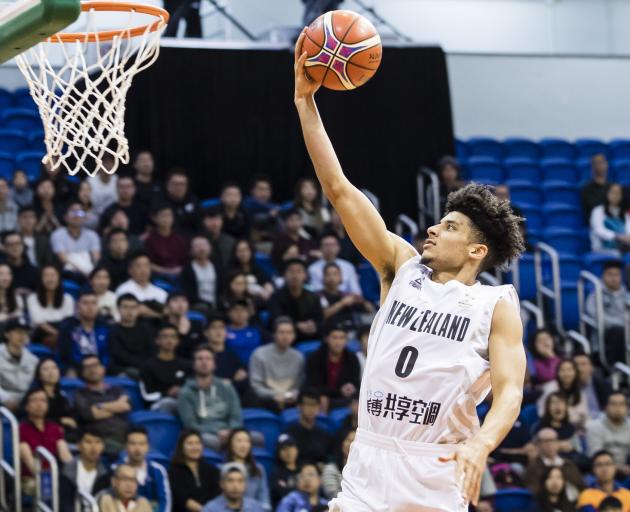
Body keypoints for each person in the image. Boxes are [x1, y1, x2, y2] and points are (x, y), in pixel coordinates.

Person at [294, 33, 526, 510]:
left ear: (477, 249)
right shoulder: (400, 266)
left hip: (436, 469)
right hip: (371, 459)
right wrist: (305, 102)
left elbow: (510, 390)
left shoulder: (494, 305)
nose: (433, 229)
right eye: (440, 220)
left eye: (450, 226)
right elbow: (338, 189)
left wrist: (481, 444)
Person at [177, 345, 243, 451]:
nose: (204, 362)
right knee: (212, 441)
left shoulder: (226, 387)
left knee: (256, 438)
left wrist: (231, 431)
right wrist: (217, 432)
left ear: (214, 364)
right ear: (193, 364)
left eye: (208, 359)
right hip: (204, 433)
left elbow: (236, 415)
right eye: (200, 359)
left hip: (229, 431)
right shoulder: (186, 392)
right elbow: (190, 424)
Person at [19, 388, 73, 493]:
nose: (39, 404)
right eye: (34, 400)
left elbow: (66, 457)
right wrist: (48, 479)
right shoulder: (21, 429)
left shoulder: (55, 428)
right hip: (31, 478)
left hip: (55, 476)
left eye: (43, 400)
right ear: (26, 406)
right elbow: (29, 461)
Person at [74, 355, 130, 454]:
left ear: (103, 369)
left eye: (95, 365)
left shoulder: (116, 389)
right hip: (100, 441)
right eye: (87, 367)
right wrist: (116, 408)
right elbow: (89, 414)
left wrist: (100, 406)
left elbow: (125, 406)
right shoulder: (80, 394)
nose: (92, 370)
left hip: (125, 437)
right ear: (82, 373)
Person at [248, 317, 304, 411]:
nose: (285, 337)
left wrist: (288, 396)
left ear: (294, 335)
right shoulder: (259, 354)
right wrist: (274, 395)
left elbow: (298, 385)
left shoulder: (298, 357)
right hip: (265, 399)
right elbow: (256, 386)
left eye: (289, 333)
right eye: (281, 332)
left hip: (290, 399)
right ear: (274, 334)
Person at [305, 324, 361, 411]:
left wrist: (351, 388)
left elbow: (356, 384)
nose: (338, 342)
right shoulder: (315, 357)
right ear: (327, 339)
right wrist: (339, 391)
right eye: (334, 337)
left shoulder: (352, 358)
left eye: (342, 338)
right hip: (322, 396)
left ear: (346, 340)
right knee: (322, 399)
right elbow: (312, 385)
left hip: (345, 398)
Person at [140, 323, 190, 414]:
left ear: (177, 341)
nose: (169, 340)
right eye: (165, 336)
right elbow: (146, 396)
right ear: (157, 340)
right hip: (158, 404)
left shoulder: (186, 365)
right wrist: (167, 393)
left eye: (173, 337)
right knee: (168, 403)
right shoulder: (148, 366)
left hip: (183, 402)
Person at [586, 260, 629, 365]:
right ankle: (615, 369)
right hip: (604, 335)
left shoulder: (627, 295)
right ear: (603, 276)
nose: (613, 278)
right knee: (619, 331)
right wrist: (623, 324)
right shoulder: (595, 295)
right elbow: (596, 316)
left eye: (617, 275)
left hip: (626, 332)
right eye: (610, 274)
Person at [269, 258, 323, 341]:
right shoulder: (276, 296)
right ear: (284, 275)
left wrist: (314, 325)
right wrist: (297, 325)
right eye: (291, 271)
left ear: (305, 275)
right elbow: (277, 318)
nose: (295, 275)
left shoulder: (313, 297)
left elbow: (319, 319)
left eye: (299, 271)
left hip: (310, 334)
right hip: (286, 336)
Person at [58, 291, 110, 374]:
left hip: (102, 370)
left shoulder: (106, 327)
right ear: (77, 306)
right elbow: (64, 355)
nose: (90, 307)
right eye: (85, 303)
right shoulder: (68, 328)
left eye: (94, 303)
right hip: (77, 369)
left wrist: (102, 366)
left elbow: (109, 354)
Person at [523, 428, 584, 499]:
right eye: (546, 441)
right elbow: (533, 490)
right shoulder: (533, 467)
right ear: (538, 444)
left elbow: (581, 486)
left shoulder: (568, 464)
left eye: (553, 440)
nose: (550, 444)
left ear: (558, 442)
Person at [168, 429, 221, 512]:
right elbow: (182, 499)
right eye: (190, 443)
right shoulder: (173, 471)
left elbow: (217, 496)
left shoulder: (211, 470)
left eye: (198, 443)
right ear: (181, 447)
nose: (195, 447)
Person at [122, 426, 171, 512]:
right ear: (125, 446)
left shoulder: (158, 470)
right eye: (133, 444)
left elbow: (164, 501)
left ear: (148, 446)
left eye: (142, 444)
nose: (137, 449)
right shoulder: (116, 469)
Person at [26, 265, 74, 346]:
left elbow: (68, 321)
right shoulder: (32, 298)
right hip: (41, 333)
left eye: (53, 275)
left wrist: (61, 335)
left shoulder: (68, 298)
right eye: (46, 275)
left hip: (62, 331)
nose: (50, 279)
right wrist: (59, 335)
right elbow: (38, 322)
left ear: (59, 278)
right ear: (41, 279)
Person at [60, 428, 111, 505]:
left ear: (103, 446)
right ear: (79, 446)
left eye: (98, 442)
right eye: (88, 442)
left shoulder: (107, 473)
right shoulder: (66, 471)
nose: (93, 447)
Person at [318, 262, 374, 331]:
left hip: (350, 331)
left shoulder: (347, 295)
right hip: (328, 332)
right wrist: (342, 303)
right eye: (328, 274)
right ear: (323, 277)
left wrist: (362, 301)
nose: (331, 277)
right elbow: (322, 315)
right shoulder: (318, 295)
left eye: (335, 274)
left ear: (340, 277)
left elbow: (370, 310)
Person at [50, 201, 101, 277]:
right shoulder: (57, 234)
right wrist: (85, 271)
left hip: (90, 273)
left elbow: (96, 258)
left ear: (84, 217)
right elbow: (63, 258)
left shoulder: (92, 235)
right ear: (65, 217)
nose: (76, 215)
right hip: (67, 274)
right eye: (72, 212)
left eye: (80, 212)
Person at [109, 294, 155, 378]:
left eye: (133, 307)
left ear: (138, 309)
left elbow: (152, 351)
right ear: (118, 309)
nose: (129, 311)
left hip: (145, 367)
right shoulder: (113, 330)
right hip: (122, 368)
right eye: (125, 307)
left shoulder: (146, 329)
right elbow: (118, 354)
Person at [224, 428, 271, 510]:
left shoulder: (259, 469)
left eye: (247, 441)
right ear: (230, 444)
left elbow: (264, 500)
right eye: (239, 441)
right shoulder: (222, 469)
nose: (244, 445)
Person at [586, 392, 630, 475]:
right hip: (601, 471)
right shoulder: (594, 426)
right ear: (606, 407)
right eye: (614, 404)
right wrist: (618, 467)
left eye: (621, 404)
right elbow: (596, 457)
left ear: (627, 408)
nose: (618, 408)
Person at [537, 359, 589, 429]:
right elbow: (542, 413)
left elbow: (584, 415)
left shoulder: (579, 391)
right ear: (557, 373)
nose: (566, 373)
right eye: (562, 370)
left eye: (569, 370)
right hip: (553, 428)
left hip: (576, 428)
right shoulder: (550, 388)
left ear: (575, 372)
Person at [284, 388, 332, 465]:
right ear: (299, 406)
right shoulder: (289, 432)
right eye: (308, 404)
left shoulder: (324, 434)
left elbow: (328, 458)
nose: (311, 408)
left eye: (314, 405)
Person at [205, 314, 248, 396]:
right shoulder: (200, 355)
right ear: (206, 333)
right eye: (214, 328)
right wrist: (232, 381)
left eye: (222, 328)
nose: (218, 331)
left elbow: (244, 382)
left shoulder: (232, 356)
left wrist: (231, 382)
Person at [30, 357, 77, 432]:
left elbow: (70, 417)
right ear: (39, 375)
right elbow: (34, 419)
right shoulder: (34, 395)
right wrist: (60, 420)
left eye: (54, 368)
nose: (51, 372)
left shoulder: (61, 395)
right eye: (46, 369)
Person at [0, 318, 37, 411]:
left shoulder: (33, 360)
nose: (22, 336)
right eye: (18, 332)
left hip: (26, 404)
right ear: (7, 334)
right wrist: (5, 398)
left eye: (25, 333)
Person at [115, 253, 168, 318]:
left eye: (146, 265)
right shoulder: (123, 290)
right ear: (130, 270)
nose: (143, 270)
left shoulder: (161, 292)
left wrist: (149, 313)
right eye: (138, 266)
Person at [144, 204, 189, 276]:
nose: (167, 219)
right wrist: (168, 271)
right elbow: (148, 263)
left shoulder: (180, 239)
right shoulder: (149, 240)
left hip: (181, 275)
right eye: (163, 216)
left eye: (169, 216)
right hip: (159, 277)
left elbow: (186, 262)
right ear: (154, 218)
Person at [589, 183, 630, 254]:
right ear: (607, 193)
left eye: (618, 193)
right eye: (613, 192)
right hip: (601, 248)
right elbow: (598, 230)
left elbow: (628, 230)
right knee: (617, 255)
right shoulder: (597, 211)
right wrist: (617, 236)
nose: (615, 195)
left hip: (622, 248)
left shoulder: (624, 214)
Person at [180, 236, 219, 309]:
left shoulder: (217, 267)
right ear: (191, 250)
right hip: (197, 305)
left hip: (217, 304)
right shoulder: (187, 270)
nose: (201, 249)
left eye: (204, 246)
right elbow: (188, 293)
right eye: (197, 246)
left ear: (210, 248)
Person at [164, 292, 205, 360]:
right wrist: (181, 335)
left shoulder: (197, 325)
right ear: (167, 305)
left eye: (184, 301)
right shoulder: (162, 326)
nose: (180, 305)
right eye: (175, 301)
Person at [573, 353, 612, 418]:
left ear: (591, 367)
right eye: (576, 365)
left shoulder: (604, 385)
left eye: (583, 364)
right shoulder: (568, 387)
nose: (579, 368)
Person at [161, 169, 200, 235]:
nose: (179, 187)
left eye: (182, 184)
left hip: (193, 239)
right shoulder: (160, 202)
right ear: (167, 185)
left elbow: (200, 223)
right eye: (175, 184)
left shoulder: (193, 200)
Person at [226, 299, 263, 365]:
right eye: (236, 310)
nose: (239, 313)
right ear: (229, 313)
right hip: (231, 369)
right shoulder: (224, 332)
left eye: (243, 310)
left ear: (248, 313)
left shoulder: (257, 331)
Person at [322, 430, 355, 500]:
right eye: (348, 440)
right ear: (342, 443)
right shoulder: (331, 468)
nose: (350, 445)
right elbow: (332, 494)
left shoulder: (365, 471)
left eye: (354, 441)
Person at [201, 206, 236, 272]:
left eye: (217, 219)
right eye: (210, 219)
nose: (214, 223)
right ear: (203, 221)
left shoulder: (230, 241)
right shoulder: (198, 242)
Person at [271, 434, 300, 506]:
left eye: (290, 447)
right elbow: (280, 493)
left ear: (296, 449)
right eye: (283, 449)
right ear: (278, 454)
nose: (288, 451)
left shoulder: (304, 469)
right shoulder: (275, 474)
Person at [581, 154, 610, 221]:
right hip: (596, 223)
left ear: (607, 164)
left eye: (602, 162)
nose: (599, 166)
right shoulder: (587, 189)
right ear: (592, 167)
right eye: (596, 163)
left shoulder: (613, 188)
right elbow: (592, 208)